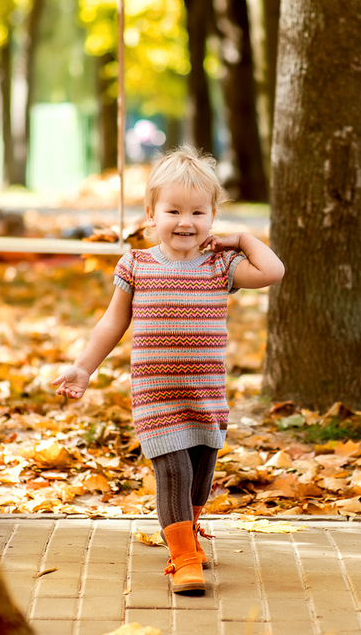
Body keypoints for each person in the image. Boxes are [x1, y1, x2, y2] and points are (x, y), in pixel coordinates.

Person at [52, 146, 284, 594]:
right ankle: (182, 559)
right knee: (172, 472)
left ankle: (189, 534)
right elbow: (113, 321)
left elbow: (272, 271)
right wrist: (83, 368)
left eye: (198, 212)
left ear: (213, 215)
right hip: (156, 394)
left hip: (205, 393)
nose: (185, 222)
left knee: (199, 477)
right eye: (173, 210)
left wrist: (241, 240)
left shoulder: (222, 264)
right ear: (151, 213)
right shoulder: (136, 264)